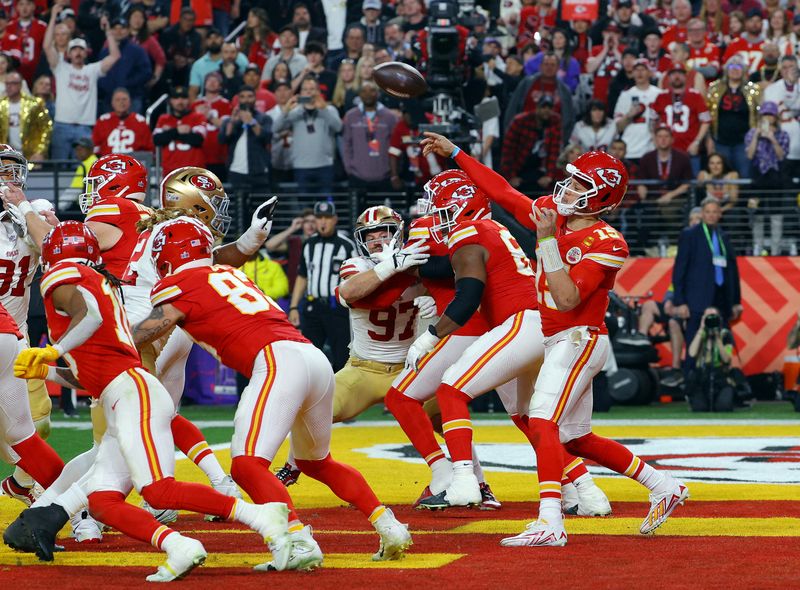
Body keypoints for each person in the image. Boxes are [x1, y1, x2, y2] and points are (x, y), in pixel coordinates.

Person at [7, 221, 293, 579]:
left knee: (158, 490)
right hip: (126, 389)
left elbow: (88, 315)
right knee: (104, 501)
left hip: (131, 394)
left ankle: (262, 517)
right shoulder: (102, 283)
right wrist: (47, 372)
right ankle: (179, 546)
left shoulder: (62, 275)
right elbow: (91, 374)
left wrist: (54, 350)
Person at [133, 217, 413, 569]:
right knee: (315, 461)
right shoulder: (230, 275)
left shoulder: (177, 283)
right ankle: (389, 526)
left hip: (277, 361)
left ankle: (297, 541)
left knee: (247, 465)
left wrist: (95, 349)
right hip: (312, 358)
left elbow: (142, 333)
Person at [0, 148, 61, 506]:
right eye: (2, 171)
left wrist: (24, 211)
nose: (9, 178)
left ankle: (22, 484)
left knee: (37, 425)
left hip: (15, 337)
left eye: (13, 171)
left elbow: (56, 246)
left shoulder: (32, 211)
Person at [672, 197, 742, 363]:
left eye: (714, 212)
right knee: (693, 346)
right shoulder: (690, 235)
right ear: (702, 214)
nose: (711, 215)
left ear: (720, 214)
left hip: (721, 299)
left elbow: (732, 271)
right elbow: (679, 269)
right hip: (696, 300)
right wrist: (680, 301)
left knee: (723, 343)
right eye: (708, 212)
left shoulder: (724, 236)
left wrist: (736, 301)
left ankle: (721, 381)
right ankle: (690, 382)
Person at [44, 7, 120, 161]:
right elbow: (47, 46)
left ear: (86, 53)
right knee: (59, 170)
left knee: (82, 171)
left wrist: (108, 31)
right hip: (62, 125)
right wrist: (53, 17)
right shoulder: (60, 67)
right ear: (69, 53)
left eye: (81, 50)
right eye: (74, 50)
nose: (78, 53)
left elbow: (115, 55)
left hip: (85, 127)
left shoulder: (92, 70)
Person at [288, 201, 355, 372]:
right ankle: (312, 398)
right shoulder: (308, 244)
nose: (323, 222)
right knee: (309, 358)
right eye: (319, 218)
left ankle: (339, 398)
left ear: (335, 219)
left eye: (327, 217)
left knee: (341, 357)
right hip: (312, 307)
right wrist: (294, 306)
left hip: (337, 308)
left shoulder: (347, 245)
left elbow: (356, 279)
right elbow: (302, 276)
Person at [272, 77, 342, 193]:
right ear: (300, 93)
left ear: (318, 92)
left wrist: (323, 109)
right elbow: (275, 129)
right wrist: (285, 111)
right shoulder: (294, 112)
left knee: (325, 208)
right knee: (304, 207)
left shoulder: (329, 110)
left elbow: (339, 127)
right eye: (305, 89)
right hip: (301, 166)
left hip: (324, 165)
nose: (308, 92)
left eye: (312, 89)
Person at [745, 101, 790, 255]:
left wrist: (772, 139)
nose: (768, 117)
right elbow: (749, 155)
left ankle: (775, 250)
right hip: (757, 177)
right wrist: (757, 136)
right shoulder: (752, 133)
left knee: (776, 214)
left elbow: (782, 156)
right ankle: (758, 248)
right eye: (765, 114)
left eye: (770, 114)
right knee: (757, 213)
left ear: (775, 116)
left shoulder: (782, 134)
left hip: (776, 177)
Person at [651, 62, 711, 175]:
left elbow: (706, 121)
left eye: (680, 73)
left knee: (691, 187)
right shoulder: (661, 96)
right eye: (673, 74)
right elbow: (652, 120)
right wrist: (655, 139)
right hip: (667, 151)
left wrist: (697, 142)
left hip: (689, 150)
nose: (677, 77)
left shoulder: (695, 96)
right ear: (668, 78)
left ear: (685, 76)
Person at [707, 57, 761, 179]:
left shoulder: (754, 90)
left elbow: (760, 116)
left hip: (744, 142)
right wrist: (709, 138)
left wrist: (755, 138)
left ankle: (745, 198)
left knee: (745, 174)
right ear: (726, 70)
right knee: (721, 175)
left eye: (739, 67)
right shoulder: (714, 88)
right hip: (721, 141)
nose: (735, 70)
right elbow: (708, 115)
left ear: (744, 70)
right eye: (732, 67)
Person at [342, 82, 398, 191]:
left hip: (384, 176)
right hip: (357, 176)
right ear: (359, 95)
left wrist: (393, 171)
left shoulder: (390, 117)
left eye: (372, 91)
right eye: (364, 91)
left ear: (377, 94)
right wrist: (349, 168)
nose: (368, 94)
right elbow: (346, 144)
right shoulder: (351, 116)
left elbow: (395, 145)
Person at [501, 94, 562, 191]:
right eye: (543, 107)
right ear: (537, 107)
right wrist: (510, 176)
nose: (546, 110)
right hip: (519, 168)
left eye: (549, 107)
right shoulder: (520, 121)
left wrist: (549, 176)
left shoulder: (555, 121)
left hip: (540, 170)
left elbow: (553, 152)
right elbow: (508, 151)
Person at [218, 85, 273, 193]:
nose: (246, 100)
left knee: (261, 207)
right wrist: (233, 121)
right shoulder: (230, 120)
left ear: (255, 98)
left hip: (259, 171)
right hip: (236, 172)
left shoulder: (264, 118)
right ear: (238, 99)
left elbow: (266, 138)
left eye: (249, 96)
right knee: (238, 208)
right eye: (242, 97)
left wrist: (251, 121)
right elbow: (222, 139)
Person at [685, 306, 736, 411]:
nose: (710, 319)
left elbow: (726, 359)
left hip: (720, 378)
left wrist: (717, 337)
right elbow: (692, 353)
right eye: (707, 317)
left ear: (719, 319)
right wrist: (701, 329)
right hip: (702, 378)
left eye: (713, 317)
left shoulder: (725, 335)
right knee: (700, 408)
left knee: (723, 407)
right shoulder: (700, 334)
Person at [97, 17, 152, 115]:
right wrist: (106, 87)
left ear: (128, 31)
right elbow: (99, 74)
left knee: (133, 128)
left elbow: (146, 72)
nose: (118, 31)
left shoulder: (137, 51)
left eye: (122, 28)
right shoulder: (104, 52)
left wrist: (126, 84)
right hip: (109, 99)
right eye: (115, 28)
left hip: (132, 98)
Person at [614, 58, 661, 163]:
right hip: (629, 149)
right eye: (636, 70)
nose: (639, 73)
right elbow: (618, 127)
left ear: (649, 72)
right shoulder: (625, 95)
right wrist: (629, 116)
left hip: (652, 149)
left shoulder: (659, 94)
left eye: (643, 69)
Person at [153, 86, 207, 174]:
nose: (180, 101)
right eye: (176, 98)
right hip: (170, 172)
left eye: (184, 98)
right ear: (171, 101)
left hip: (194, 172)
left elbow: (198, 140)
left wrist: (169, 132)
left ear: (188, 100)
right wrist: (177, 130)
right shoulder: (163, 119)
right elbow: (157, 139)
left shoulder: (198, 117)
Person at [0, 71, 51, 162]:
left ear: (20, 85)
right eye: (7, 83)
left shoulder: (34, 105)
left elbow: (46, 128)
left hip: (31, 156)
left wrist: (40, 151)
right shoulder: (1, 105)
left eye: (13, 83)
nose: (9, 86)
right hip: (6, 157)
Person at [188, 28, 248, 101]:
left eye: (216, 37)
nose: (213, 41)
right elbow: (193, 91)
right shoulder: (199, 65)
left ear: (222, 39)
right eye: (210, 38)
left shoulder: (240, 60)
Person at [92, 88, 154, 156]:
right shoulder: (103, 121)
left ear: (130, 102)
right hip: (108, 164)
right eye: (117, 100)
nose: (121, 102)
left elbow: (149, 149)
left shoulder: (140, 121)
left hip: (133, 164)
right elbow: (95, 147)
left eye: (124, 99)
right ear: (112, 103)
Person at [0, 0, 46, 86]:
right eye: (21, 4)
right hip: (12, 74)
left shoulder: (42, 27)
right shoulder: (9, 26)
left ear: (33, 6)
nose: (24, 8)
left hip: (35, 73)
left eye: (28, 4)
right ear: (17, 7)